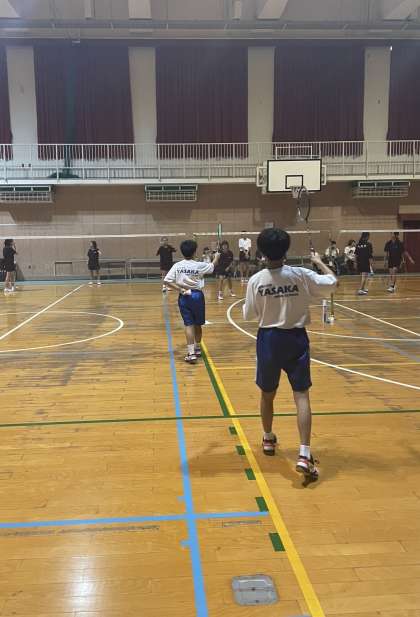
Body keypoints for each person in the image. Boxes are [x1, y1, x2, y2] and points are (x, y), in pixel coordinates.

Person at [243, 228, 337, 480]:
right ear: (286, 250)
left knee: (267, 394)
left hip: (268, 341)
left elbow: (248, 315)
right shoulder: (301, 275)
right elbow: (333, 283)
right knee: (301, 395)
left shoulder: (256, 280)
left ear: (261, 252)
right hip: (296, 339)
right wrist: (320, 262)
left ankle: (267, 438)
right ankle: (304, 454)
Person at [165, 240, 220, 364]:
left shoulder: (177, 266)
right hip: (197, 296)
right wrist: (216, 257)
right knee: (198, 324)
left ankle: (191, 354)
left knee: (188, 325)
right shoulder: (199, 265)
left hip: (184, 296)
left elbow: (167, 281)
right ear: (195, 252)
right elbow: (212, 266)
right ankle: (198, 348)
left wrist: (180, 289)